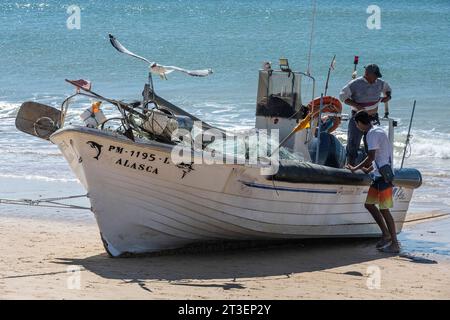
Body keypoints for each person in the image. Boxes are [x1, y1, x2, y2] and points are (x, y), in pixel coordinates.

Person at [346, 110, 400, 254]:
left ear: (359, 123)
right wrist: (367, 170)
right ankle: (386, 235)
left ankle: (395, 243)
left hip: (384, 177)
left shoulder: (371, 134)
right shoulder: (377, 130)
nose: (357, 127)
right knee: (369, 204)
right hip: (378, 174)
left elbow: (371, 156)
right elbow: (380, 157)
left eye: (356, 124)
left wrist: (355, 168)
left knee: (384, 210)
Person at [340, 64, 392, 165]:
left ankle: (371, 168)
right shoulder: (355, 83)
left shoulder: (380, 83)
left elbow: (388, 89)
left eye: (378, 76)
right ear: (367, 74)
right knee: (353, 143)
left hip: (373, 117)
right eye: (375, 75)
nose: (376, 78)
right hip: (358, 117)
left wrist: (388, 97)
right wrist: (356, 105)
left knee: (373, 144)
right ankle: (350, 166)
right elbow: (342, 96)